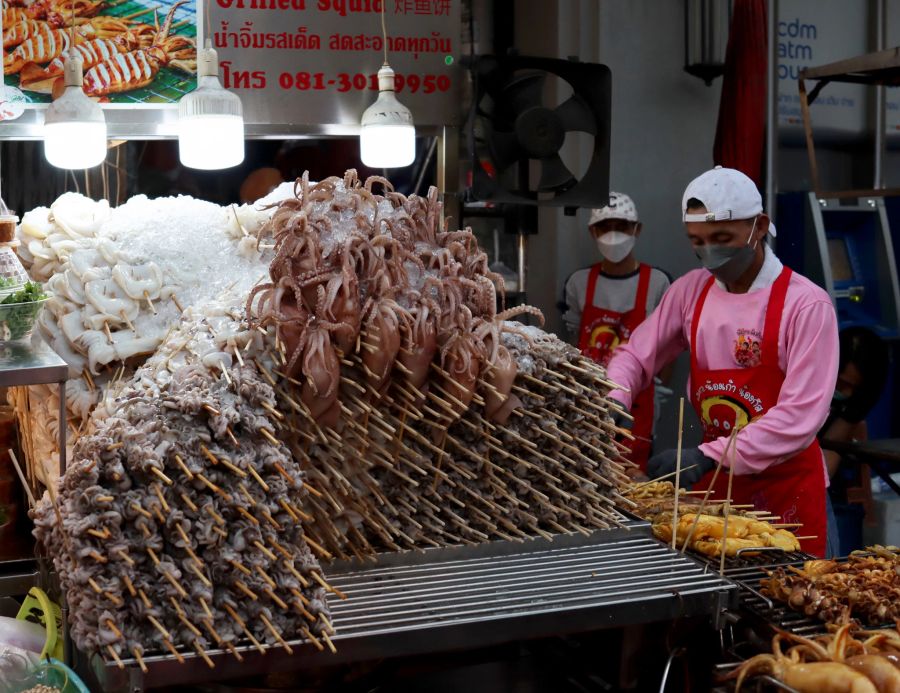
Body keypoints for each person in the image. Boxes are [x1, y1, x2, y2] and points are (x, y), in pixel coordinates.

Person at [606, 167, 839, 557]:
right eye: (697, 241)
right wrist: (613, 399)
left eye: (722, 238)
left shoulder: (805, 305)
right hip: (717, 489)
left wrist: (705, 455)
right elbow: (636, 354)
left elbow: (800, 415)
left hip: (788, 489)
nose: (708, 252)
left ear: (759, 226)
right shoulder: (690, 293)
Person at [562, 192, 671, 470]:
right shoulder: (578, 282)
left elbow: (668, 351)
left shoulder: (658, 283)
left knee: (632, 483)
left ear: (637, 229)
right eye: (605, 226)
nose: (613, 234)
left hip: (637, 406)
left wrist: (653, 395)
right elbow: (572, 343)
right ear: (592, 231)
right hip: (586, 403)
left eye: (622, 226)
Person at [819, 326, 890, 556]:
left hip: (819, 470)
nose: (846, 393)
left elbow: (828, 459)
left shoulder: (860, 397)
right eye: (841, 383)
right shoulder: (810, 378)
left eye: (854, 388)